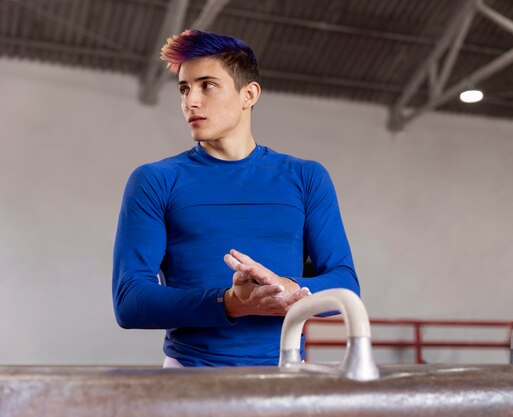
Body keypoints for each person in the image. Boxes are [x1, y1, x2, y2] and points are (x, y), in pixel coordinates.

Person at [112, 29, 359, 367]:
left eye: (207, 85)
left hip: (285, 375)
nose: (190, 101)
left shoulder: (306, 178)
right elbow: (130, 300)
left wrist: (287, 288)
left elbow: (345, 284)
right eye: (184, 88)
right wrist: (229, 303)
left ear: (249, 94)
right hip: (190, 376)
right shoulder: (155, 181)